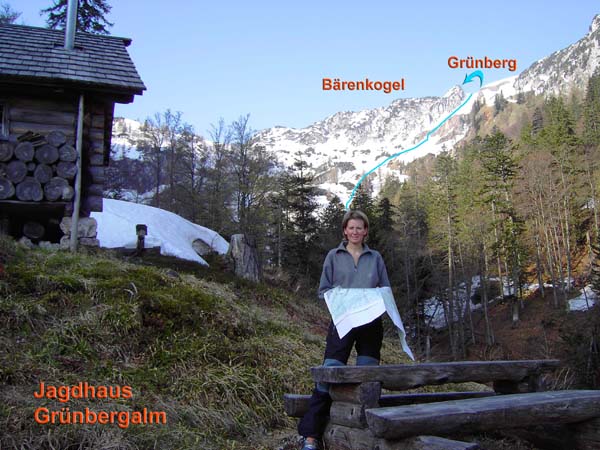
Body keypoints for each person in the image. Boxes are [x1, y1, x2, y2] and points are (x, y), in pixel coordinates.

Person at [298, 210, 391, 450]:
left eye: (360, 228)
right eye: (351, 228)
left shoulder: (375, 257)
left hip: (371, 323)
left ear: (366, 231)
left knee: (368, 377)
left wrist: (375, 303)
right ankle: (311, 436)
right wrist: (344, 301)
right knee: (329, 373)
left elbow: (385, 289)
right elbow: (324, 290)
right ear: (344, 231)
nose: (355, 232)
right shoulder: (333, 256)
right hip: (343, 320)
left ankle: (368, 433)